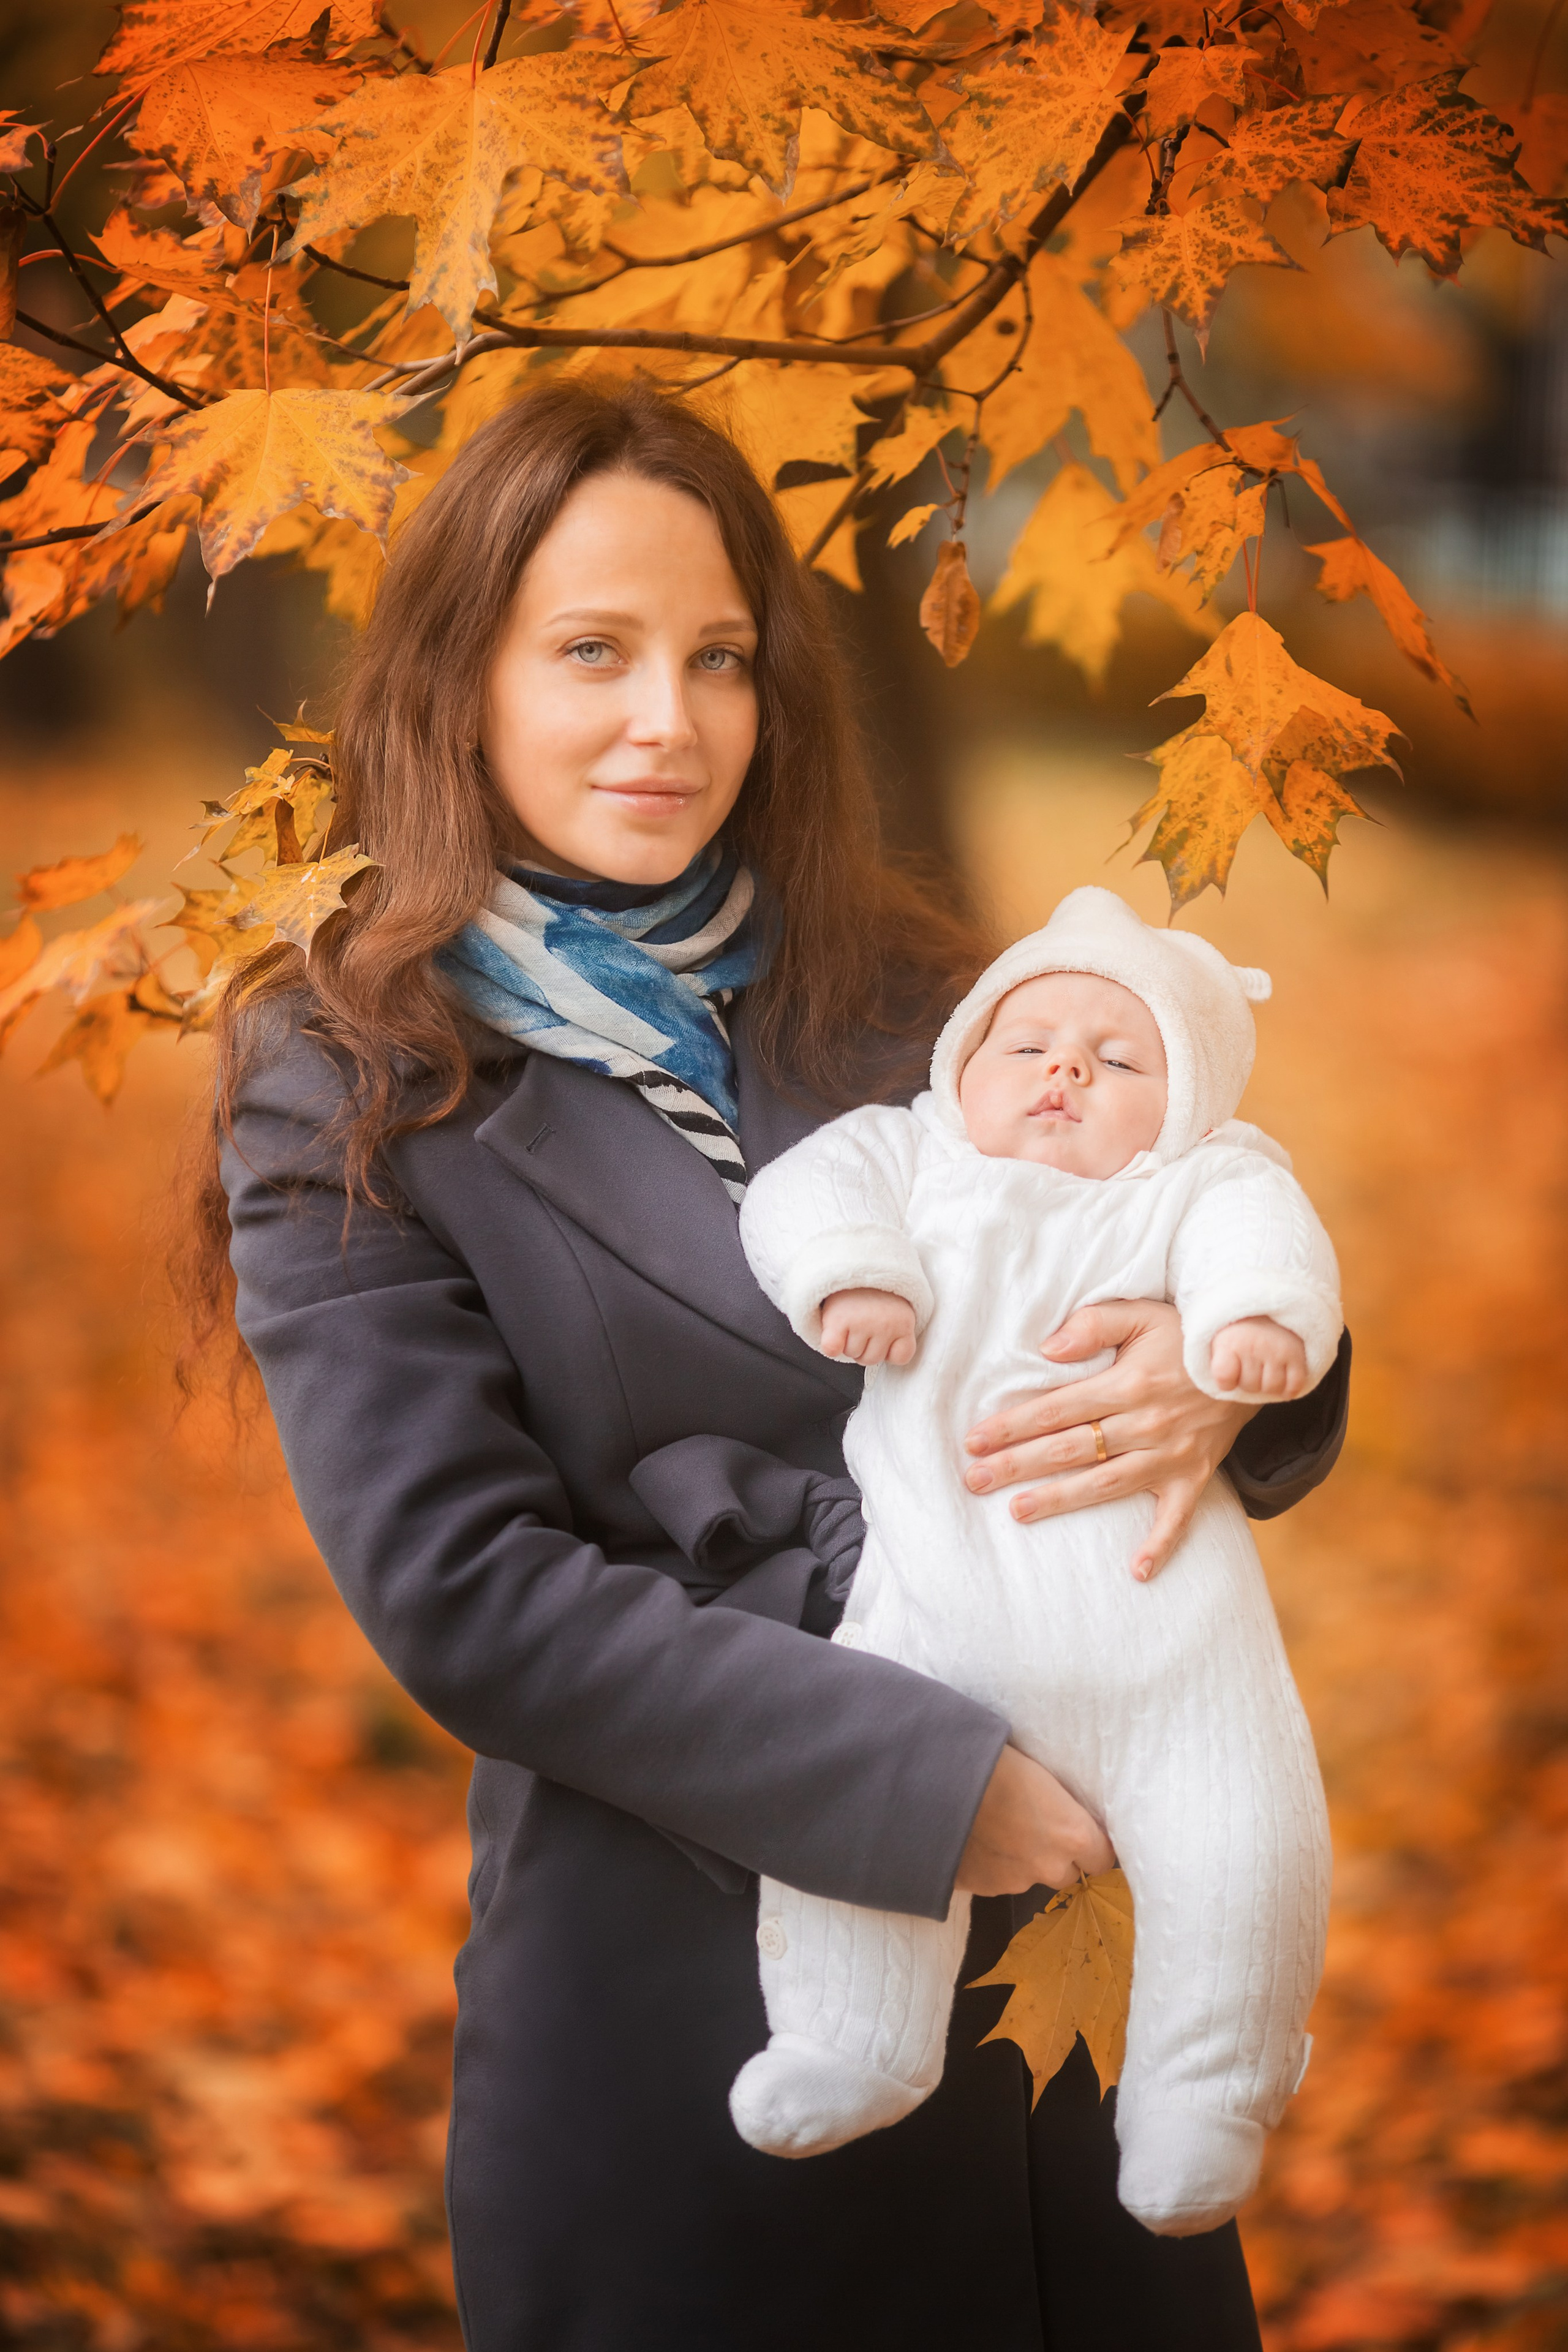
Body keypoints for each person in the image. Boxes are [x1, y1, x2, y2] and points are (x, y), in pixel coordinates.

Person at [184, 379, 1351, 2351]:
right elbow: (467, 1592)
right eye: (592, 652)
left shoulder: (916, 994)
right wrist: (916, 1783)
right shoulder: (350, 1081)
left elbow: (1186, 1207)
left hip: (1069, 2019)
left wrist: (1227, 1370)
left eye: (719, 656)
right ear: (456, 680)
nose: (671, 720)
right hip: (693, 1998)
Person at [728, 888, 1336, 2242]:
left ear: (1182, 1108)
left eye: (1119, 1060)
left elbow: (1271, 1245)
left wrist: (1247, 1332)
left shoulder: (1205, 1177)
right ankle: (851, 2037)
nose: (1064, 1068)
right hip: (933, 1617)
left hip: (1171, 1642)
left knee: (1246, 1843)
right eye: (1028, 1043)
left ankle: (1209, 2090)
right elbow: (804, 1191)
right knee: (856, 1808)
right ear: (961, 1069)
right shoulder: (909, 1148)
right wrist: (851, 1274)